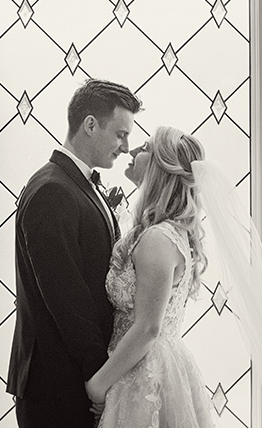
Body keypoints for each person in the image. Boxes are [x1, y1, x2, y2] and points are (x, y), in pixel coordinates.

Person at [7, 78, 142, 428]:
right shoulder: (53, 190)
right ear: (90, 124)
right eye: (120, 134)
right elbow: (66, 298)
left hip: (77, 381)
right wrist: (100, 378)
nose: (126, 147)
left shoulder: (77, 185)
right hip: (58, 387)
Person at [86, 126, 216, 427]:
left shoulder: (159, 238)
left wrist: (98, 385)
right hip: (146, 364)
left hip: (145, 373)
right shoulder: (170, 232)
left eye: (143, 147)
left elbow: (148, 328)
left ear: (161, 166)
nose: (131, 151)